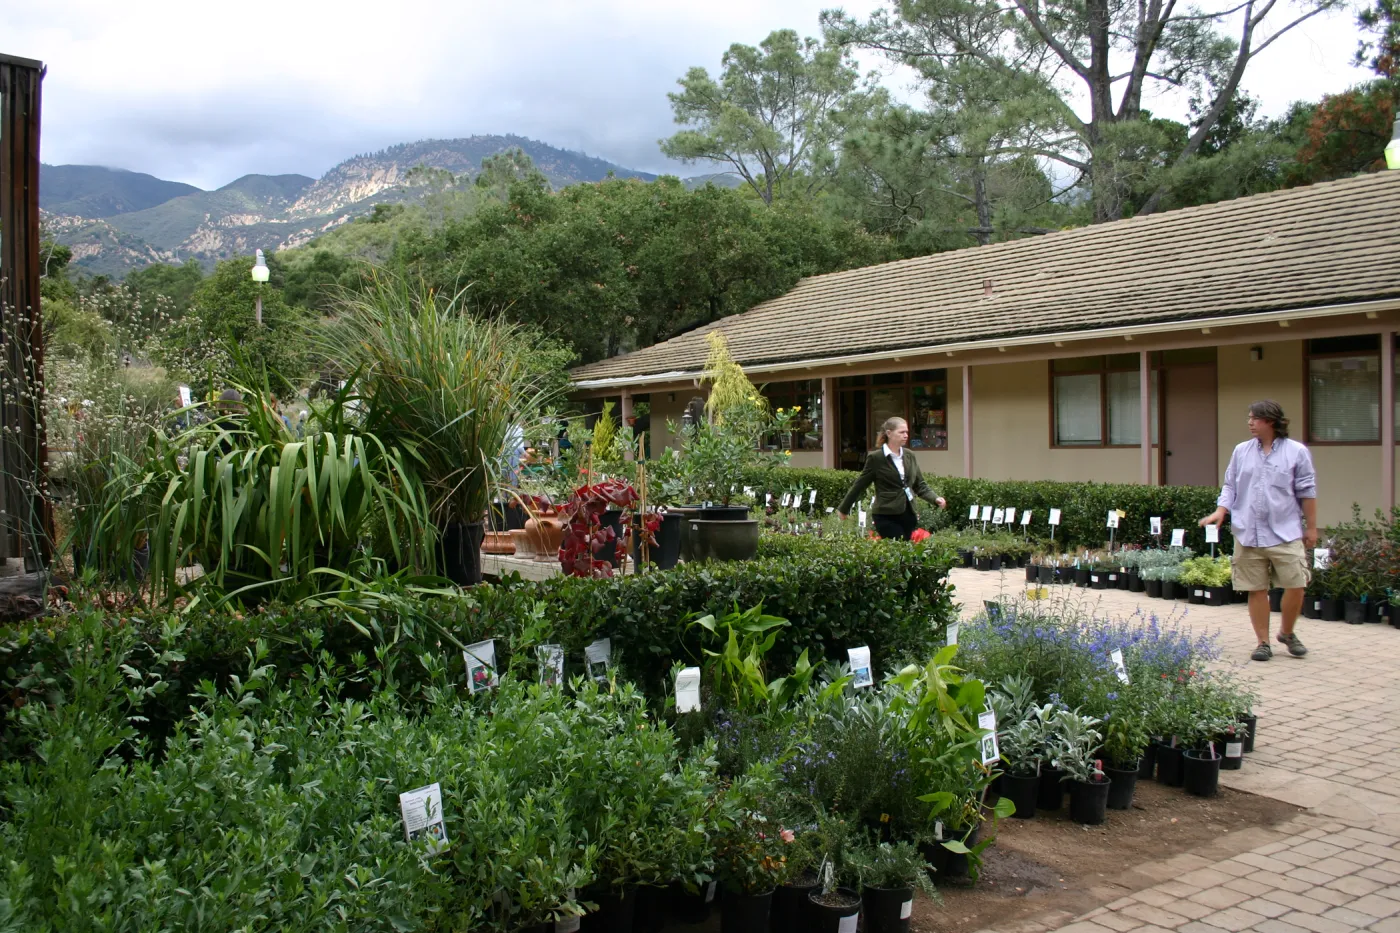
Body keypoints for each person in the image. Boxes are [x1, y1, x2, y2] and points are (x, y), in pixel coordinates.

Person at [1199, 400, 1317, 662]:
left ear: (1271, 421)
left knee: (1297, 585)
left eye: (1255, 418)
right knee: (1256, 589)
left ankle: (1287, 633)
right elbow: (1230, 485)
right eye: (1249, 418)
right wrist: (1221, 510)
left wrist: (1311, 527)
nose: (1250, 423)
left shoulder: (1296, 452)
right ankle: (1263, 642)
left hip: (1285, 532)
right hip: (1248, 532)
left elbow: (1307, 491)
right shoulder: (1241, 451)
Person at [838, 416, 947, 540]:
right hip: (886, 515)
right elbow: (860, 485)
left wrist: (935, 498)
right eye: (901, 432)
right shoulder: (876, 458)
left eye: (907, 432)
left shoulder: (910, 455)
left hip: (908, 514)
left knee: (904, 548)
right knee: (898, 545)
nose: (906, 435)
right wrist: (844, 509)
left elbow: (920, 484)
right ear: (889, 433)